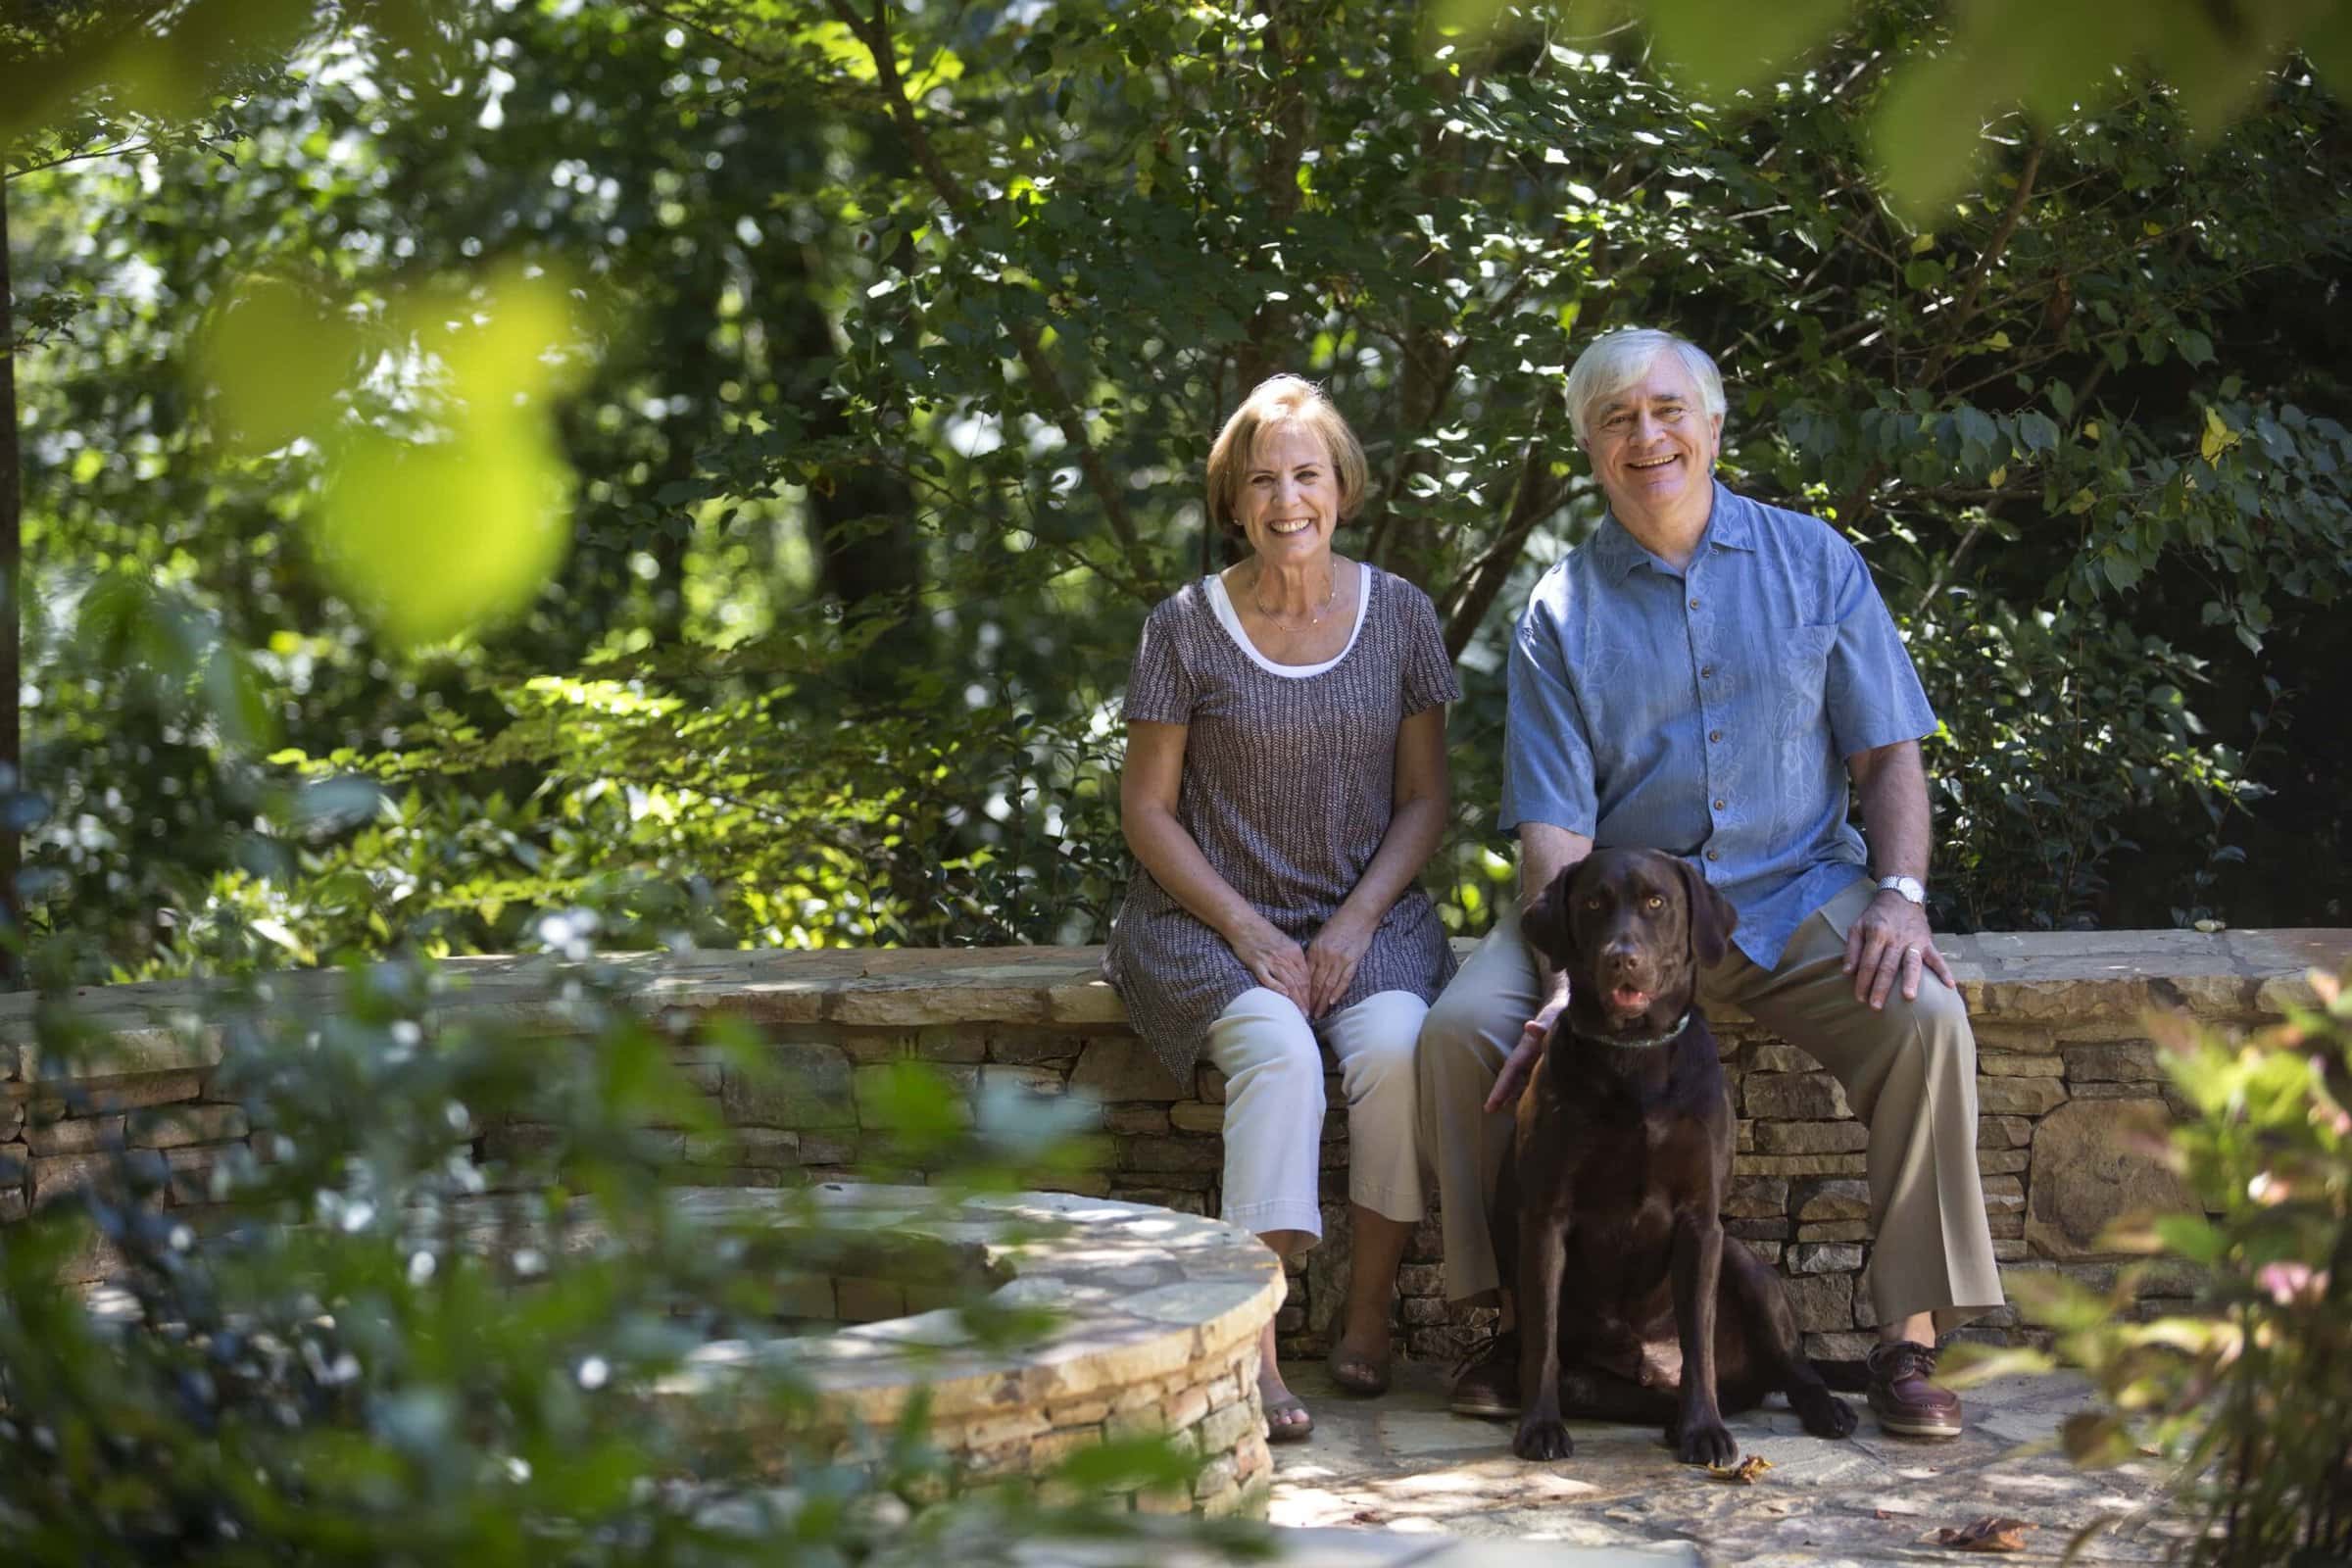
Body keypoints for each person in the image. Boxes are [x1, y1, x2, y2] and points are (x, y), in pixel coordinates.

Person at [1416, 327, 2004, 1441]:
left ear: (1714, 424)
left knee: (1926, 1018)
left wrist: (1901, 895)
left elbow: (1889, 758)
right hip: (1619, 922)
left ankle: (1907, 1343)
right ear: (1591, 449)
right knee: (1459, 1033)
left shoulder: (1817, 563)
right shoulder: (1560, 612)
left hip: (1795, 892)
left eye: (1668, 410)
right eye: (1619, 420)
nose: (1649, 437)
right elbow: (1554, 827)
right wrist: (1559, 977)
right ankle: (1521, 1329)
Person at [1103, 374, 1460, 1444]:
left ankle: (1364, 1319)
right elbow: (1147, 809)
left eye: (1307, 473)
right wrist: (1248, 929)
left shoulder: (1401, 614)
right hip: (1207, 923)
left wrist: (1350, 925)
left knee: (1397, 1051)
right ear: (1234, 500)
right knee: (1281, 1052)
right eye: (1263, 480)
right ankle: (1253, 1350)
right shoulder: (1183, 628)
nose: (1287, 498)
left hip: (1369, 916)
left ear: (1341, 485)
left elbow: (1428, 797)